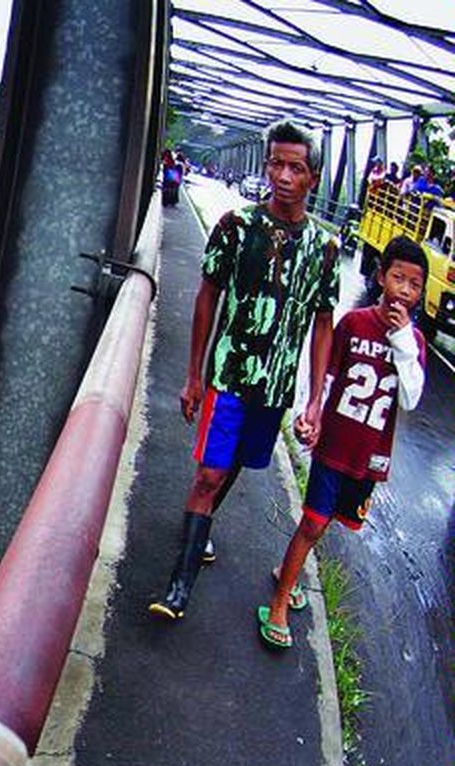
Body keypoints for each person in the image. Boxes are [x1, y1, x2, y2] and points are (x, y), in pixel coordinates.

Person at [149, 120, 339, 621]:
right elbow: (207, 295)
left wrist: (315, 399)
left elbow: (323, 325)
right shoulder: (237, 226)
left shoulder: (325, 250)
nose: (282, 175)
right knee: (210, 472)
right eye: (275, 162)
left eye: (295, 167)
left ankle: (201, 528)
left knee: (232, 466)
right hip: (228, 376)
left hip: (274, 388)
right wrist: (194, 374)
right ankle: (178, 587)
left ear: (313, 179)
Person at [257, 236, 427, 647]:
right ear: (380, 276)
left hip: (368, 457)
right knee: (313, 522)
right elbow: (328, 377)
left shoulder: (415, 343)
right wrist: (312, 414)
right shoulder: (354, 323)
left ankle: (288, 574)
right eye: (397, 278)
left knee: (327, 521)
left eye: (414, 284)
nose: (404, 290)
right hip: (335, 446)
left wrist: (403, 342)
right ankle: (279, 603)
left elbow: (410, 398)